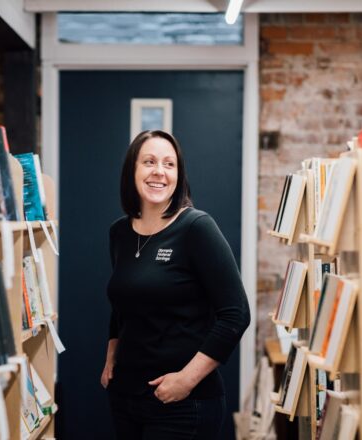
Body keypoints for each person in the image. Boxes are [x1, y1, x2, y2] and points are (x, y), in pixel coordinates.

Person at [101, 129, 251, 439]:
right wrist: (111, 357)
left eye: (169, 164)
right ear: (133, 169)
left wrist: (186, 380)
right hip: (126, 397)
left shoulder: (197, 227)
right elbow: (124, 304)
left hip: (185, 403)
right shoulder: (120, 233)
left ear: (178, 175)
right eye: (149, 161)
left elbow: (236, 314)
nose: (159, 171)